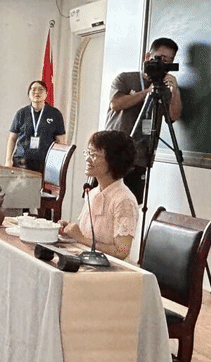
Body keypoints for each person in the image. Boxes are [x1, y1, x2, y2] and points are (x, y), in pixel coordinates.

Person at [104, 37, 182, 203]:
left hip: (140, 157)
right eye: (160, 58)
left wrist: (175, 91)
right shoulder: (125, 78)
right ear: (147, 57)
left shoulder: (165, 88)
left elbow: (173, 117)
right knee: (106, 202)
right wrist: (147, 92)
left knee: (131, 204)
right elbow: (115, 104)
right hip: (114, 154)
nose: (163, 64)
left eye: (169, 61)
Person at [59, 130, 139, 260]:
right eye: (87, 153)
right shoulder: (92, 193)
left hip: (109, 268)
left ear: (113, 160)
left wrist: (80, 238)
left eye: (94, 155)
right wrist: (70, 232)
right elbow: (88, 237)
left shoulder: (124, 200)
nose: (87, 159)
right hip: (87, 260)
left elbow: (121, 251)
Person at [5, 80, 66, 174]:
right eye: (33, 90)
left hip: (45, 163)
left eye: (40, 90)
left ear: (46, 93)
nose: (37, 92)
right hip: (21, 162)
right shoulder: (21, 113)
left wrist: (58, 163)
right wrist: (8, 160)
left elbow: (60, 141)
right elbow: (12, 138)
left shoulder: (55, 114)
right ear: (29, 94)